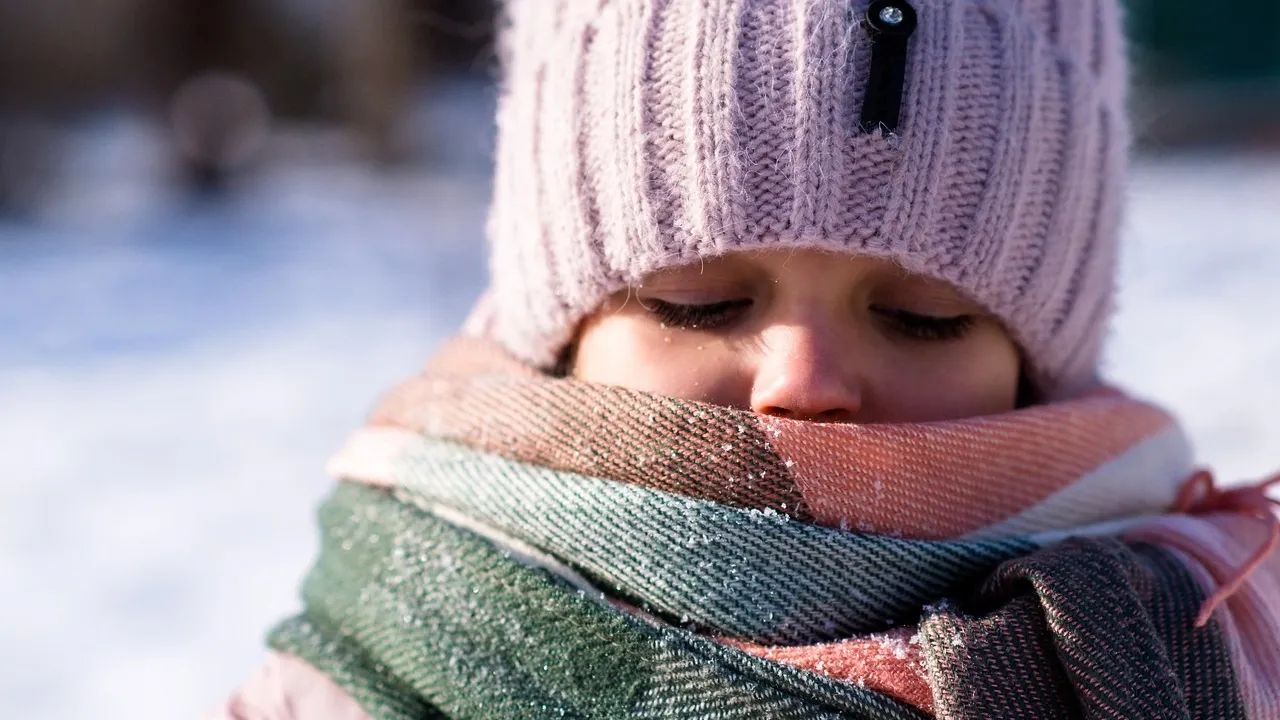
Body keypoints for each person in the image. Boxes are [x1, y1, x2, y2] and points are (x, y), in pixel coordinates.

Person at [211, 0, 1280, 717]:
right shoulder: (365, 672)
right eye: (699, 301)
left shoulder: (1204, 640)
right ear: (562, 334)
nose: (800, 380)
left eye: (920, 315)